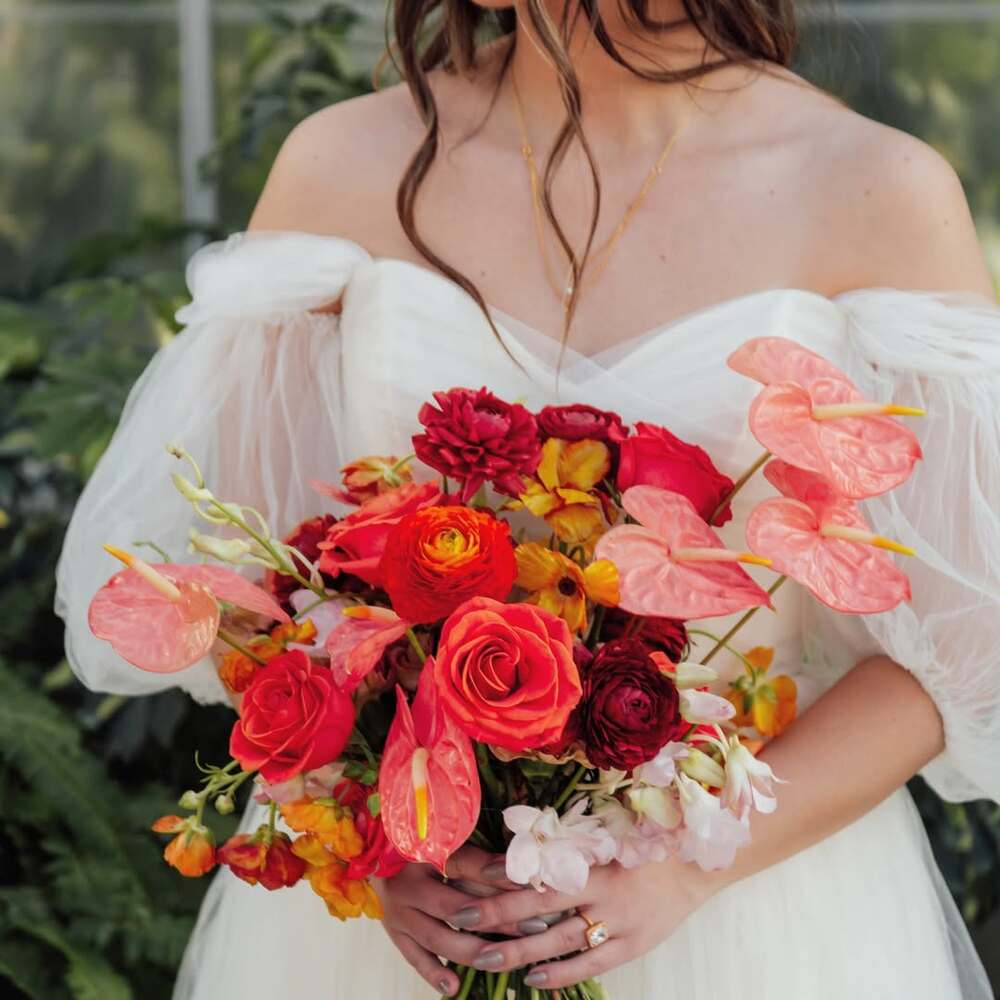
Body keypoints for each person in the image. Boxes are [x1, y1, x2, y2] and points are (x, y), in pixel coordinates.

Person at [55, 1, 1000, 998]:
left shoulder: (873, 188)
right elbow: (244, 588)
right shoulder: (342, 166)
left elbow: (966, 646)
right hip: (395, 923)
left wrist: (680, 869)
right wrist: (370, 831)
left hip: (741, 915)